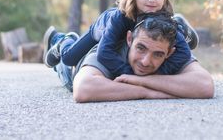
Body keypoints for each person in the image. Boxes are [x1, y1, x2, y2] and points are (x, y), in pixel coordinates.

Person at [43, 0, 199, 78]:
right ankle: (63, 41)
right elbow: (104, 53)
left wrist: (158, 74)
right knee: (69, 58)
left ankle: (179, 27)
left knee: (173, 36)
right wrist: (130, 74)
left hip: (145, 29)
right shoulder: (119, 17)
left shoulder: (161, 18)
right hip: (100, 29)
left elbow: (184, 54)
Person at [54, 13, 214, 102]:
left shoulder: (171, 50)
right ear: (129, 39)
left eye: (158, 55)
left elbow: (205, 85)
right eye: (141, 48)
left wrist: (141, 80)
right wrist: (150, 93)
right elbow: (84, 89)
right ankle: (62, 40)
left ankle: (178, 26)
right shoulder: (109, 49)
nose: (145, 61)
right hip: (71, 69)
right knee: (65, 63)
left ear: (169, 53)